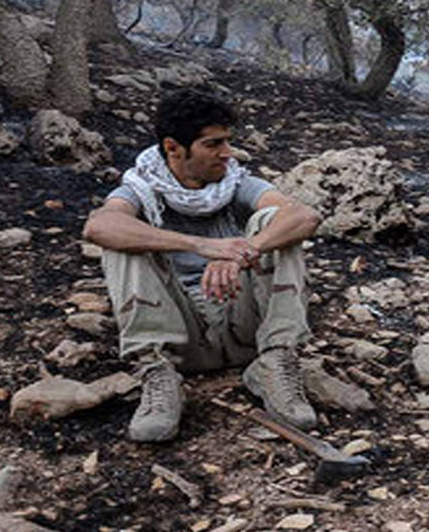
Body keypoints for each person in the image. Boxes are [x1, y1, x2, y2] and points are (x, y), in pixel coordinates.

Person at [83, 88, 322, 442]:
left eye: (227, 142)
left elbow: (305, 215)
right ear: (173, 147)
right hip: (181, 337)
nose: (227, 153)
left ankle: (274, 363)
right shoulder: (141, 187)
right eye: (213, 144)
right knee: (122, 238)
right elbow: (98, 227)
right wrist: (204, 246)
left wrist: (245, 250)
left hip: (245, 328)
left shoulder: (235, 182)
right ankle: (158, 375)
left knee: (275, 221)